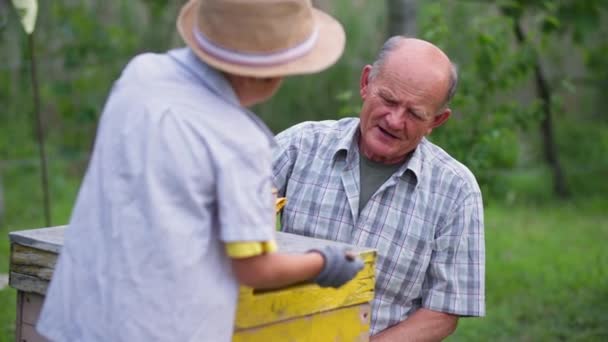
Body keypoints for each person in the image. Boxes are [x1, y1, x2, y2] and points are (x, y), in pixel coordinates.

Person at [36, 0, 364, 341]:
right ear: (270, 73)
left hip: (78, 313)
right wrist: (324, 262)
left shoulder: (140, 74)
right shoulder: (240, 141)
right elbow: (255, 268)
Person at [273, 36, 485, 341]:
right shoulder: (300, 145)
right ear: (365, 83)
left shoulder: (456, 190)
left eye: (415, 114)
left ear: (437, 121)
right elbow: (225, 220)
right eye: (388, 99)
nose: (395, 120)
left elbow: (443, 311)